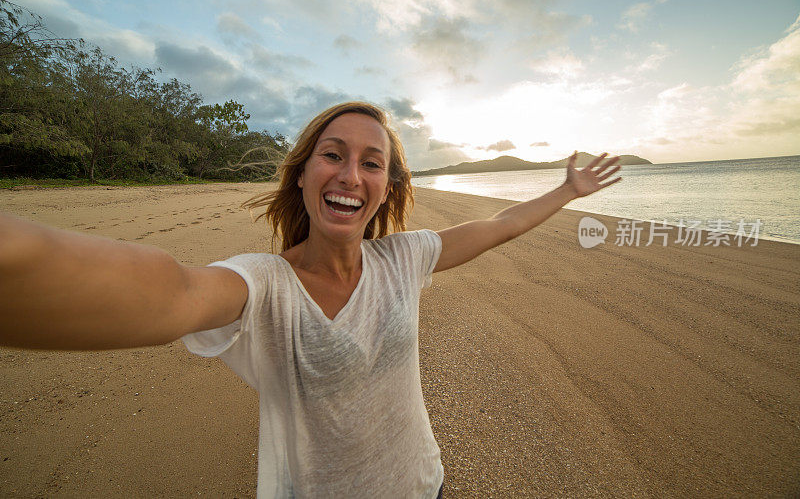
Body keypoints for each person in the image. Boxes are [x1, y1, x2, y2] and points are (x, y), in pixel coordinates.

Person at [0, 101, 621, 498]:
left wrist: (566, 191)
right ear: (303, 174)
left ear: (385, 188)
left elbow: (502, 223)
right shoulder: (266, 284)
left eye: (371, 164)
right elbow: (173, 293)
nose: (351, 174)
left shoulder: (402, 258)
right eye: (334, 155)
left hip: (420, 484)